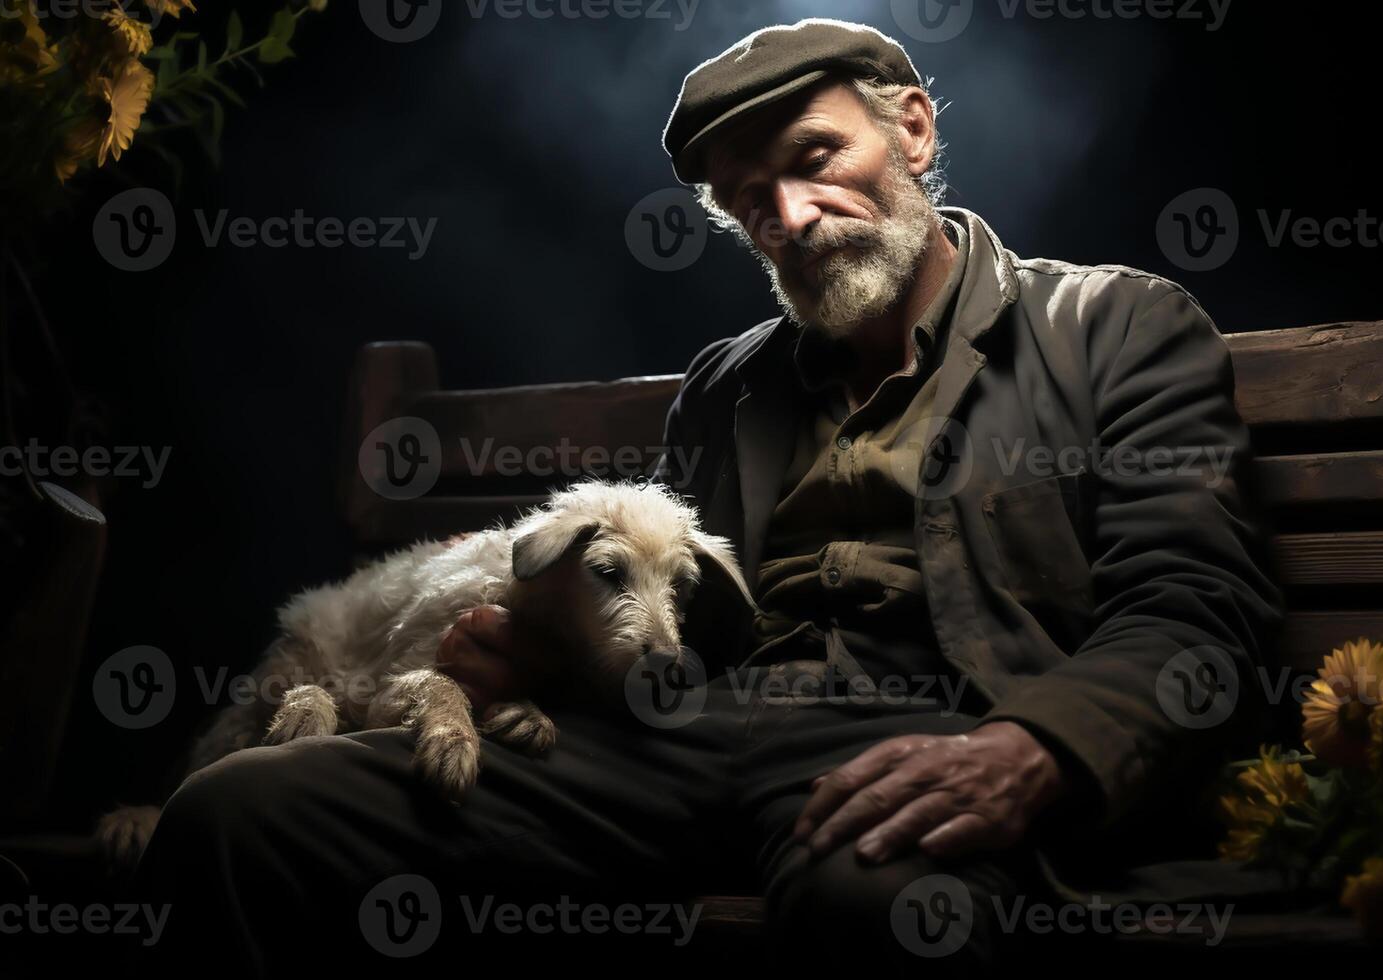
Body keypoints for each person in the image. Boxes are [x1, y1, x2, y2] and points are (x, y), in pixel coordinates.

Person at [133, 18, 1282, 978]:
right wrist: (540, 660)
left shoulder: (1114, 326)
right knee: (238, 815)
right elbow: (656, 628)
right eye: (747, 199)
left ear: (913, 131)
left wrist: (1032, 745)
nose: (787, 215)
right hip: (680, 742)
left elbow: (1195, 612)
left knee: (883, 907)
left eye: (814, 156)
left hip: (925, 737)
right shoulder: (727, 386)